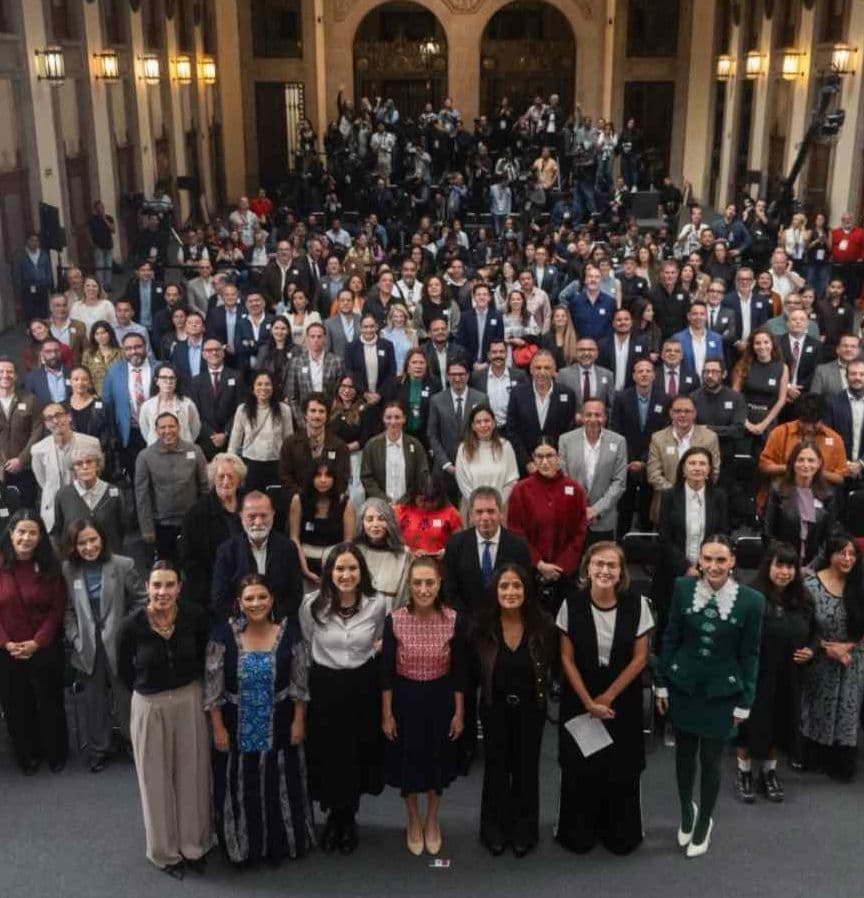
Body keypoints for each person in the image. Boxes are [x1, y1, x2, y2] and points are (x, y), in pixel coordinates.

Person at [655, 536, 764, 857]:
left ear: (732, 562)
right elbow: (670, 635)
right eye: (707, 559)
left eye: (721, 560)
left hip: (722, 692)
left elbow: (751, 654)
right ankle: (686, 812)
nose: (713, 567)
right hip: (683, 685)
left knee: (711, 760)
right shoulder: (682, 588)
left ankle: (704, 820)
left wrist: (746, 700)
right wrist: (661, 682)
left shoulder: (751, 601)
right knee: (684, 756)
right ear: (699, 561)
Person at [205, 574, 315, 866]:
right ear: (238, 603)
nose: (256, 603)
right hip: (235, 727)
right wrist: (217, 727)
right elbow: (213, 688)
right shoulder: (222, 636)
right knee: (243, 785)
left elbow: (299, 686)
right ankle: (244, 846)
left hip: (279, 724)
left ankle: (280, 844)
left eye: (262, 597)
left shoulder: (289, 634)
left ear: (272, 599)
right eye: (249, 598)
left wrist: (299, 721)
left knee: (278, 782)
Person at [556, 541, 653, 854]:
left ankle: (620, 829)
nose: (605, 571)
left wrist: (607, 697)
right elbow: (566, 659)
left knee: (622, 768)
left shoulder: (638, 605)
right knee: (580, 769)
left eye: (612, 565)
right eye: (599, 564)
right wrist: (588, 703)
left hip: (621, 699)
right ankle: (578, 828)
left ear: (621, 572)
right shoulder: (571, 604)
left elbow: (640, 659)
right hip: (580, 699)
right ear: (587, 568)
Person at [118, 561, 212, 878]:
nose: (163, 592)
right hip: (149, 704)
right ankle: (165, 852)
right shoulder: (132, 625)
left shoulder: (194, 616)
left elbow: (202, 657)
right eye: (156, 585)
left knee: (193, 775)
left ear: (179, 588)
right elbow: (124, 670)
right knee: (155, 780)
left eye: (169, 585)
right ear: (147, 588)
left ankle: (194, 846)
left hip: (188, 700)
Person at [299, 544, 388, 854]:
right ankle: (333, 817)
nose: (346, 575)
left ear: (361, 571)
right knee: (328, 753)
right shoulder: (311, 604)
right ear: (329, 573)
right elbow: (308, 643)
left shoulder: (377, 605)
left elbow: (377, 639)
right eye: (339, 569)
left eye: (352, 569)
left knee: (355, 754)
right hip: (325, 687)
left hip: (361, 687)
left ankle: (348, 818)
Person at [382, 557, 465, 856]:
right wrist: (387, 713)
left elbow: (459, 673)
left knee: (436, 760)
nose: (424, 588)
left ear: (439, 583)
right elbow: (387, 673)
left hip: (440, 698)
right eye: (417, 582)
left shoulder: (453, 619)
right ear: (410, 585)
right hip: (405, 699)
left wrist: (459, 713)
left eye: (429, 582)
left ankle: (432, 819)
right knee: (409, 761)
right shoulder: (395, 619)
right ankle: (412, 819)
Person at [472, 563, 553, 857]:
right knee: (496, 769)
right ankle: (493, 828)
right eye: (504, 586)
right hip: (494, 709)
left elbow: (553, 667)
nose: (510, 592)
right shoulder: (482, 628)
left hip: (532, 709)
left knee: (526, 770)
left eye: (516, 586)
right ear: (495, 591)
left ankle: (524, 829)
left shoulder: (543, 625)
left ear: (527, 590)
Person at [735, 543, 817, 802]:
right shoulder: (750, 595)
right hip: (756, 675)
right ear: (768, 565)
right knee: (749, 727)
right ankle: (744, 772)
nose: (785, 572)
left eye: (790, 566)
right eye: (779, 565)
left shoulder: (803, 598)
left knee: (779, 724)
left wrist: (812, 651)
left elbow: (817, 633)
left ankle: (769, 773)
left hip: (789, 676)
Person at [62, 518, 145, 772]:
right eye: (82, 542)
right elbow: (67, 611)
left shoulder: (122, 565)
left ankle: (134, 744)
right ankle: (100, 748)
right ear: (74, 546)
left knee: (125, 698)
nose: (88, 546)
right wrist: (75, 637)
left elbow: (141, 601)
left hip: (119, 644)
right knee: (93, 700)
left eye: (93, 540)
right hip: (87, 646)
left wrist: (127, 630)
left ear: (102, 539)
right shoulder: (68, 569)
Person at [0, 510, 67, 775]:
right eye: (21, 532)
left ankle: (55, 752)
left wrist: (38, 642)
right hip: (7, 650)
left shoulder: (51, 566)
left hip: (43, 647)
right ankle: (26, 755)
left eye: (32, 533)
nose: (26, 538)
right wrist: (6, 643)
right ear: (11, 533)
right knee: (16, 704)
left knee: (50, 702)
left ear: (40, 537)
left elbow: (57, 608)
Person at [800, 534, 864, 782]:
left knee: (848, 708)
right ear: (830, 554)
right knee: (817, 706)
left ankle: (842, 760)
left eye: (852, 554)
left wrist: (847, 646)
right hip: (820, 655)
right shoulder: (810, 586)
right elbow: (802, 629)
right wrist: (828, 648)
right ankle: (813, 755)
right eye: (842, 553)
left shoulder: (859, 584)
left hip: (854, 657)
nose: (847, 559)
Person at [507, 439, 588, 616]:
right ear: (533, 460)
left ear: (558, 458)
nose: (544, 462)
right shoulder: (520, 491)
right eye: (539, 456)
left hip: (565, 574)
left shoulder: (574, 490)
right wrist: (539, 563)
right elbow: (515, 531)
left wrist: (561, 566)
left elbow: (580, 531)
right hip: (530, 574)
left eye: (549, 456)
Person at [654, 447, 729, 631]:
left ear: (710, 469)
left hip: (710, 571)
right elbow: (664, 537)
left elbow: (723, 533)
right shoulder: (669, 496)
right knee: (670, 625)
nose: (697, 468)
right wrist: (686, 567)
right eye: (692, 463)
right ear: (683, 469)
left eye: (702, 463)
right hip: (674, 571)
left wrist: (705, 566)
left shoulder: (719, 496)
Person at [210, 490, 304, 622]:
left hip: (279, 623)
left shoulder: (287, 548)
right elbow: (219, 599)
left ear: (273, 515)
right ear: (241, 516)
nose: (258, 522)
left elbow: (295, 595)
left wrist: (272, 620)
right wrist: (247, 619)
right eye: (252, 516)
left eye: (264, 515)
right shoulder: (227, 551)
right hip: (238, 623)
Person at [134, 412, 208, 562]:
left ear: (179, 428)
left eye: (171, 426)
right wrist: (147, 528)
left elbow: (204, 487)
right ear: (156, 431)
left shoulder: (195, 451)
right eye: (163, 427)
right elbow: (142, 495)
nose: (167, 431)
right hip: (162, 525)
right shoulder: (145, 456)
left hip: (192, 523)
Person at [178, 452, 245, 610]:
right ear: (213, 479)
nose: (226, 481)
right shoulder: (196, 513)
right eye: (221, 476)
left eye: (231, 476)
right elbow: (189, 560)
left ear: (239, 479)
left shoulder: (249, 504)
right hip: (212, 588)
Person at [558, 398, 628, 545]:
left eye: (598, 415)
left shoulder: (618, 441)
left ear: (605, 417)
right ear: (582, 417)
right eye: (588, 414)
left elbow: (619, 483)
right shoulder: (565, 440)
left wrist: (596, 510)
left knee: (602, 564)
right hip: (572, 517)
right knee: (573, 566)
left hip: (604, 519)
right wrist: (580, 510)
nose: (593, 419)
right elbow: (563, 479)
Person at [646, 394, 721, 523]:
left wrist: (691, 492)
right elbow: (653, 474)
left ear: (694, 413)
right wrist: (677, 493)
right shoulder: (658, 438)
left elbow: (714, 471)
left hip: (700, 502)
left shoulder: (710, 438)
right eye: (678, 411)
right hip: (667, 505)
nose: (682, 415)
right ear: (670, 413)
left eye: (687, 411)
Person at [764, 440, 837, 567]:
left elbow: (829, 538)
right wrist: (787, 563)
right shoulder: (777, 490)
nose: (805, 465)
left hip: (815, 567)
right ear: (792, 463)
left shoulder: (828, 495)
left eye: (811, 460)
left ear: (819, 463)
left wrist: (814, 566)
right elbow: (768, 533)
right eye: (800, 460)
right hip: (782, 565)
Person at [31, 403, 101, 534]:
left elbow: (97, 471)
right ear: (46, 424)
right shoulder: (38, 450)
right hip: (53, 509)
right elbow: (42, 481)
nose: (56, 421)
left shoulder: (91, 443)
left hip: (83, 506)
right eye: (50, 418)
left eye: (59, 415)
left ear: (68, 417)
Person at [289, 461, 355, 585]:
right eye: (318, 475)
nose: (323, 480)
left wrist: (336, 569)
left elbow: (348, 542)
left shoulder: (345, 503)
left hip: (335, 563)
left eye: (328, 475)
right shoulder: (298, 500)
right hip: (304, 559)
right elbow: (294, 538)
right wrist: (305, 569)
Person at [228, 370, 294, 493]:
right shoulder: (243, 409)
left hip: (276, 465)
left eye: (267, 384)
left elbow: (289, 442)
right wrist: (230, 465)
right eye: (259, 384)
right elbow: (234, 442)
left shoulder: (284, 410)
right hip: (250, 465)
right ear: (253, 388)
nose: (263, 388)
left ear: (273, 387)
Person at [51, 445, 125, 552]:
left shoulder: (114, 493)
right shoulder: (63, 495)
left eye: (89, 462)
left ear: (98, 465)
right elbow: (59, 529)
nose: (85, 467)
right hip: (75, 560)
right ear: (73, 469)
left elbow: (122, 528)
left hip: (109, 557)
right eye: (79, 464)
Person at [280, 392, 351, 499]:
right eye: (313, 411)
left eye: (321, 411)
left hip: (330, 503)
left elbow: (343, 478)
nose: (317, 416)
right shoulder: (290, 443)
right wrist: (302, 496)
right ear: (305, 414)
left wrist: (325, 498)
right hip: (298, 501)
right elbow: (285, 476)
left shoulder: (339, 446)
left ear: (327, 415)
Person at [455, 404, 519, 518]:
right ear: (473, 426)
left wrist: (496, 505)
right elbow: (462, 481)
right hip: (472, 510)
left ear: (494, 423)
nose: (483, 425)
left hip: (500, 510)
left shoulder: (505, 446)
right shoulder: (463, 449)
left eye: (487, 421)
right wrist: (478, 506)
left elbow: (512, 480)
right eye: (478, 422)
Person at [731, 327, 789, 452]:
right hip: (744, 419)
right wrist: (745, 423)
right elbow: (734, 396)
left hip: (768, 421)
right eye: (757, 343)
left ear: (772, 344)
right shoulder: (743, 365)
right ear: (752, 346)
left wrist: (764, 424)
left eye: (766, 342)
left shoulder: (782, 367)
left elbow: (782, 399)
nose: (762, 346)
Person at [360, 401, 429, 505]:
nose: (393, 422)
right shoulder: (371, 445)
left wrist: (404, 501)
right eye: (388, 417)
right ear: (383, 419)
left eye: (397, 417)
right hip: (379, 507)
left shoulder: (415, 445)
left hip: (409, 506)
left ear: (404, 419)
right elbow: (366, 477)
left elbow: (422, 477)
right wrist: (385, 501)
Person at [350, 498, 411, 607]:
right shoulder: (355, 551)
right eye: (369, 519)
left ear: (390, 522)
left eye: (381, 519)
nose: (375, 524)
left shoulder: (403, 554)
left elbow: (404, 594)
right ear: (362, 523)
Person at [394, 476, 462, 558]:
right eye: (422, 500)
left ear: (440, 498)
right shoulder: (401, 511)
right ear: (414, 496)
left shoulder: (451, 513)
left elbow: (460, 541)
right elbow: (392, 539)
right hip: (408, 562)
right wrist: (409, 551)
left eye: (433, 501)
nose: (428, 505)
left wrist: (447, 551)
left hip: (440, 563)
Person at [66, 365, 110, 448]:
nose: (80, 382)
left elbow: (107, 433)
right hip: (70, 455)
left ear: (89, 382)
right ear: (70, 382)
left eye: (84, 379)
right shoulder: (63, 407)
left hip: (94, 455)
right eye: (76, 379)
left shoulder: (101, 406)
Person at [81, 321, 122, 396]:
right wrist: (91, 392)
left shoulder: (121, 353)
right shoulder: (88, 354)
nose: (100, 336)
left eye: (103, 333)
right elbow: (84, 375)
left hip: (119, 394)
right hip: (96, 395)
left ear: (110, 333)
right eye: (97, 334)